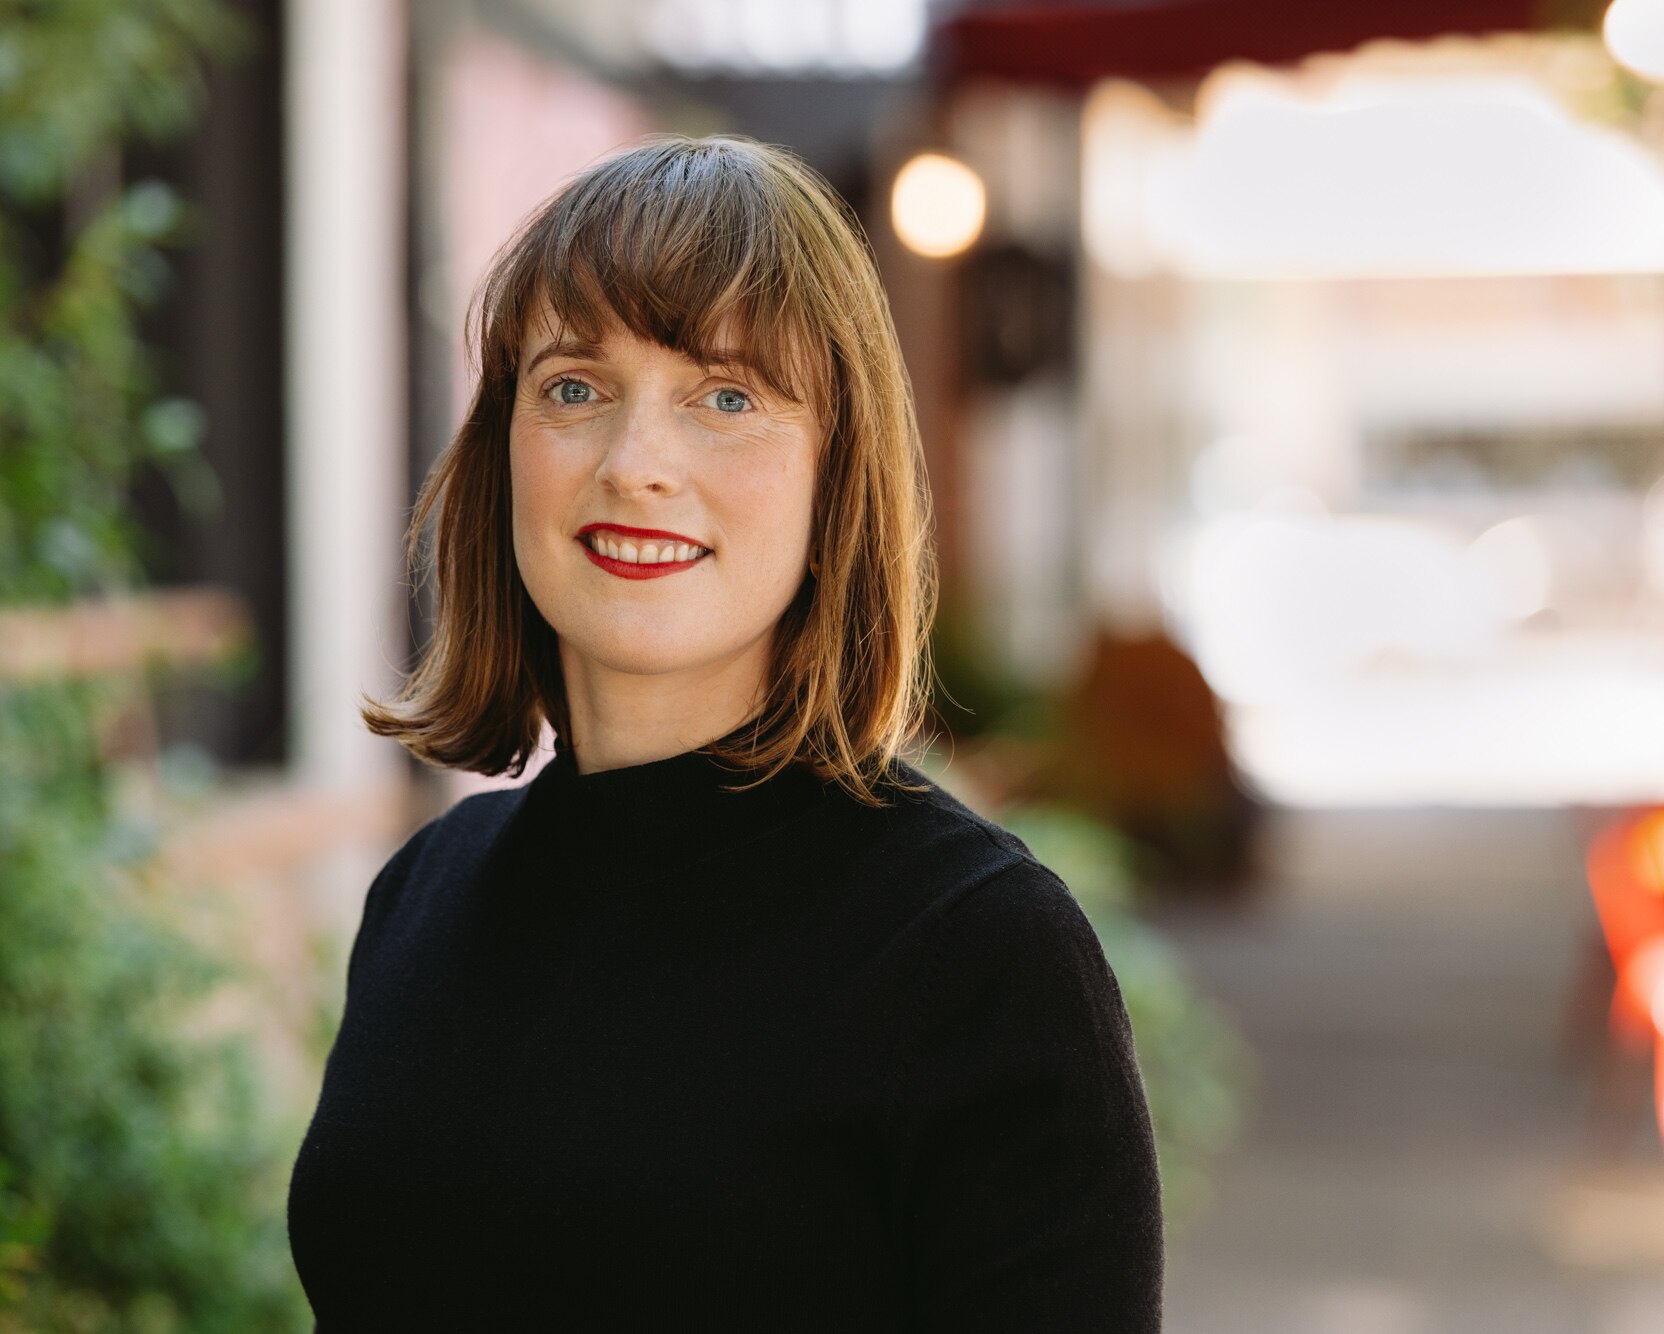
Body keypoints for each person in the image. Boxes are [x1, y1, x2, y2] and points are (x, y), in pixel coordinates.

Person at [287, 134, 1163, 1330]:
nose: (634, 463)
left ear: (833, 475)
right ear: (506, 449)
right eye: (574, 388)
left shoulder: (974, 953)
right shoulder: (425, 894)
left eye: (727, 396)